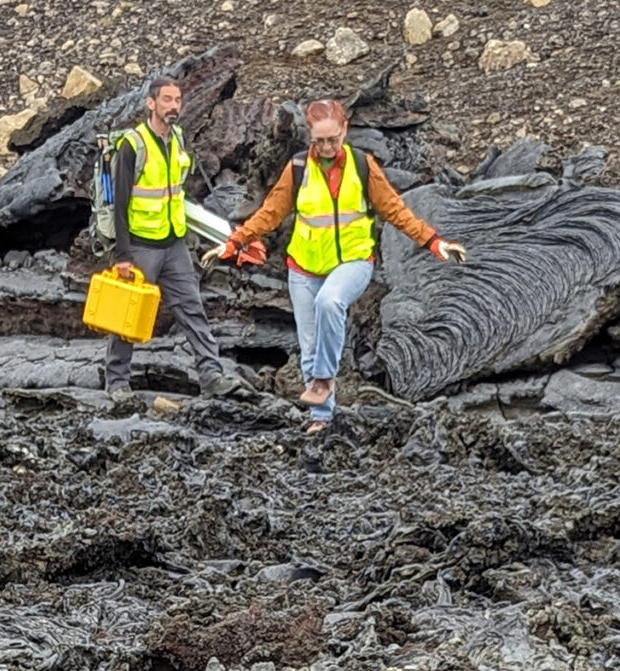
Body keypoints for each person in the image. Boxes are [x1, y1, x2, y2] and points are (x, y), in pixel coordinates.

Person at [219, 99, 467, 431]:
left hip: (353, 262)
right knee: (308, 346)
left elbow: (395, 209)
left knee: (330, 301)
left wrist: (432, 241)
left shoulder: (362, 166)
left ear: (344, 130)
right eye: (318, 140)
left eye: (332, 139)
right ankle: (321, 420)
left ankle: (323, 380)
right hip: (303, 269)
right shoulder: (297, 169)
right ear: (309, 136)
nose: (325, 147)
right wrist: (238, 240)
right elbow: (271, 213)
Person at [103, 77, 242, 403]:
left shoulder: (178, 139)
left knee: (192, 308)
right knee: (129, 313)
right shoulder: (133, 145)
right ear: (151, 103)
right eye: (166, 100)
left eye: (177, 100)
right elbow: (119, 203)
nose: (174, 106)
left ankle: (212, 377)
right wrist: (122, 254)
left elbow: (179, 191)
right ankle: (117, 382)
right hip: (140, 245)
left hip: (174, 243)